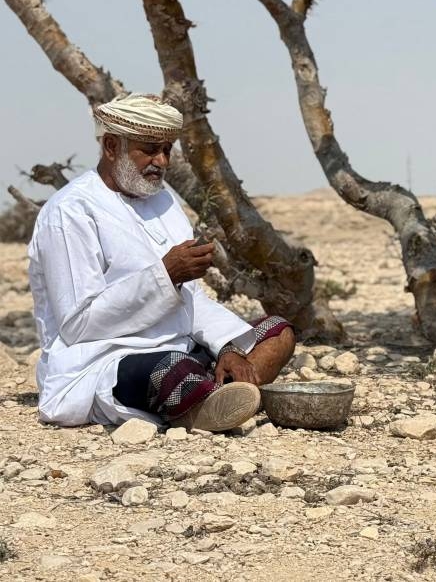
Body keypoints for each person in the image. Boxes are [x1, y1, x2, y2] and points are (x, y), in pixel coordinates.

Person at [28, 93, 295, 432]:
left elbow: (192, 300)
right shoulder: (70, 212)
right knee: (173, 372)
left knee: (277, 332)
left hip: (182, 346)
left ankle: (217, 397)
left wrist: (229, 348)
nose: (163, 161)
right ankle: (214, 401)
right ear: (112, 146)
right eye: (150, 149)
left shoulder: (163, 200)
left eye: (167, 149)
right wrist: (166, 274)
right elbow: (78, 324)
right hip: (107, 359)